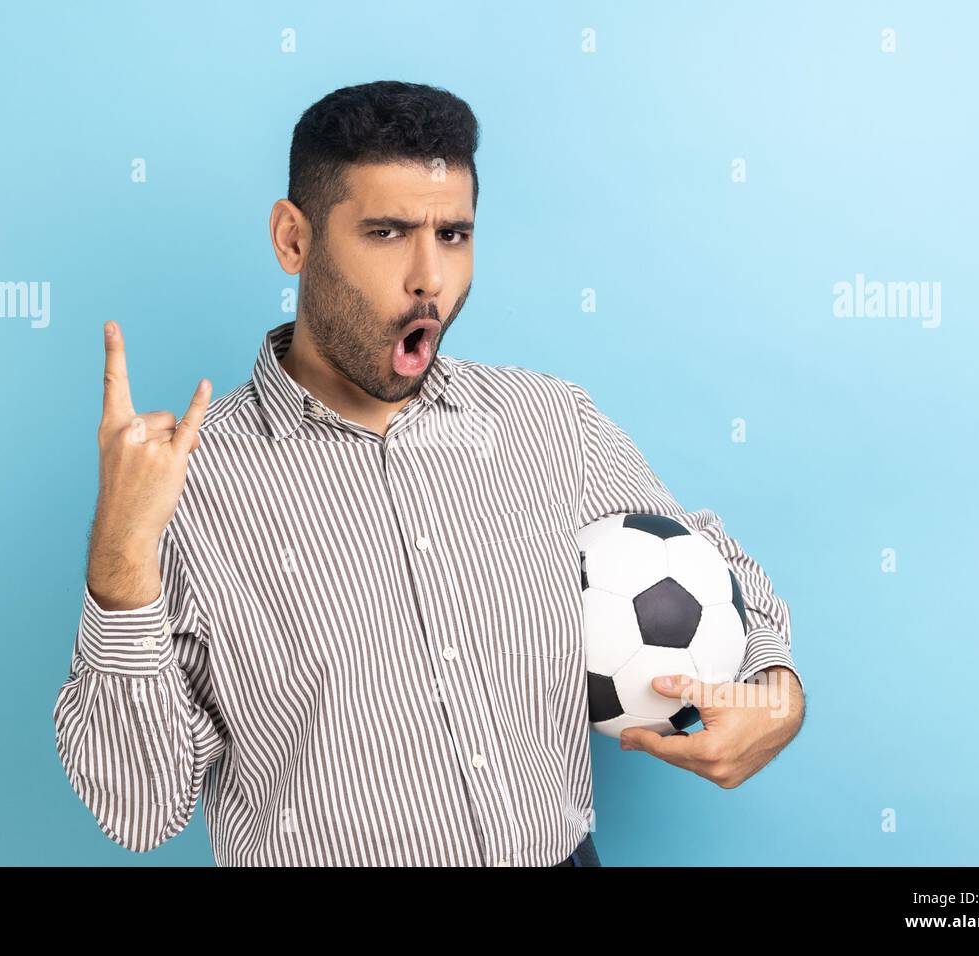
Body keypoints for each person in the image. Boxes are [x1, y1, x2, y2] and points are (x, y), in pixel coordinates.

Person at [52, 80, 804, 867]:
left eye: (452, 235)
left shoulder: (548, 422)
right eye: (385, 232)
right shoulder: (184, 489)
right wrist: (121, 555)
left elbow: (700, 557)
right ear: (292, 239)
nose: (429, 279)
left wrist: (774, 689)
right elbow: (136, 810)